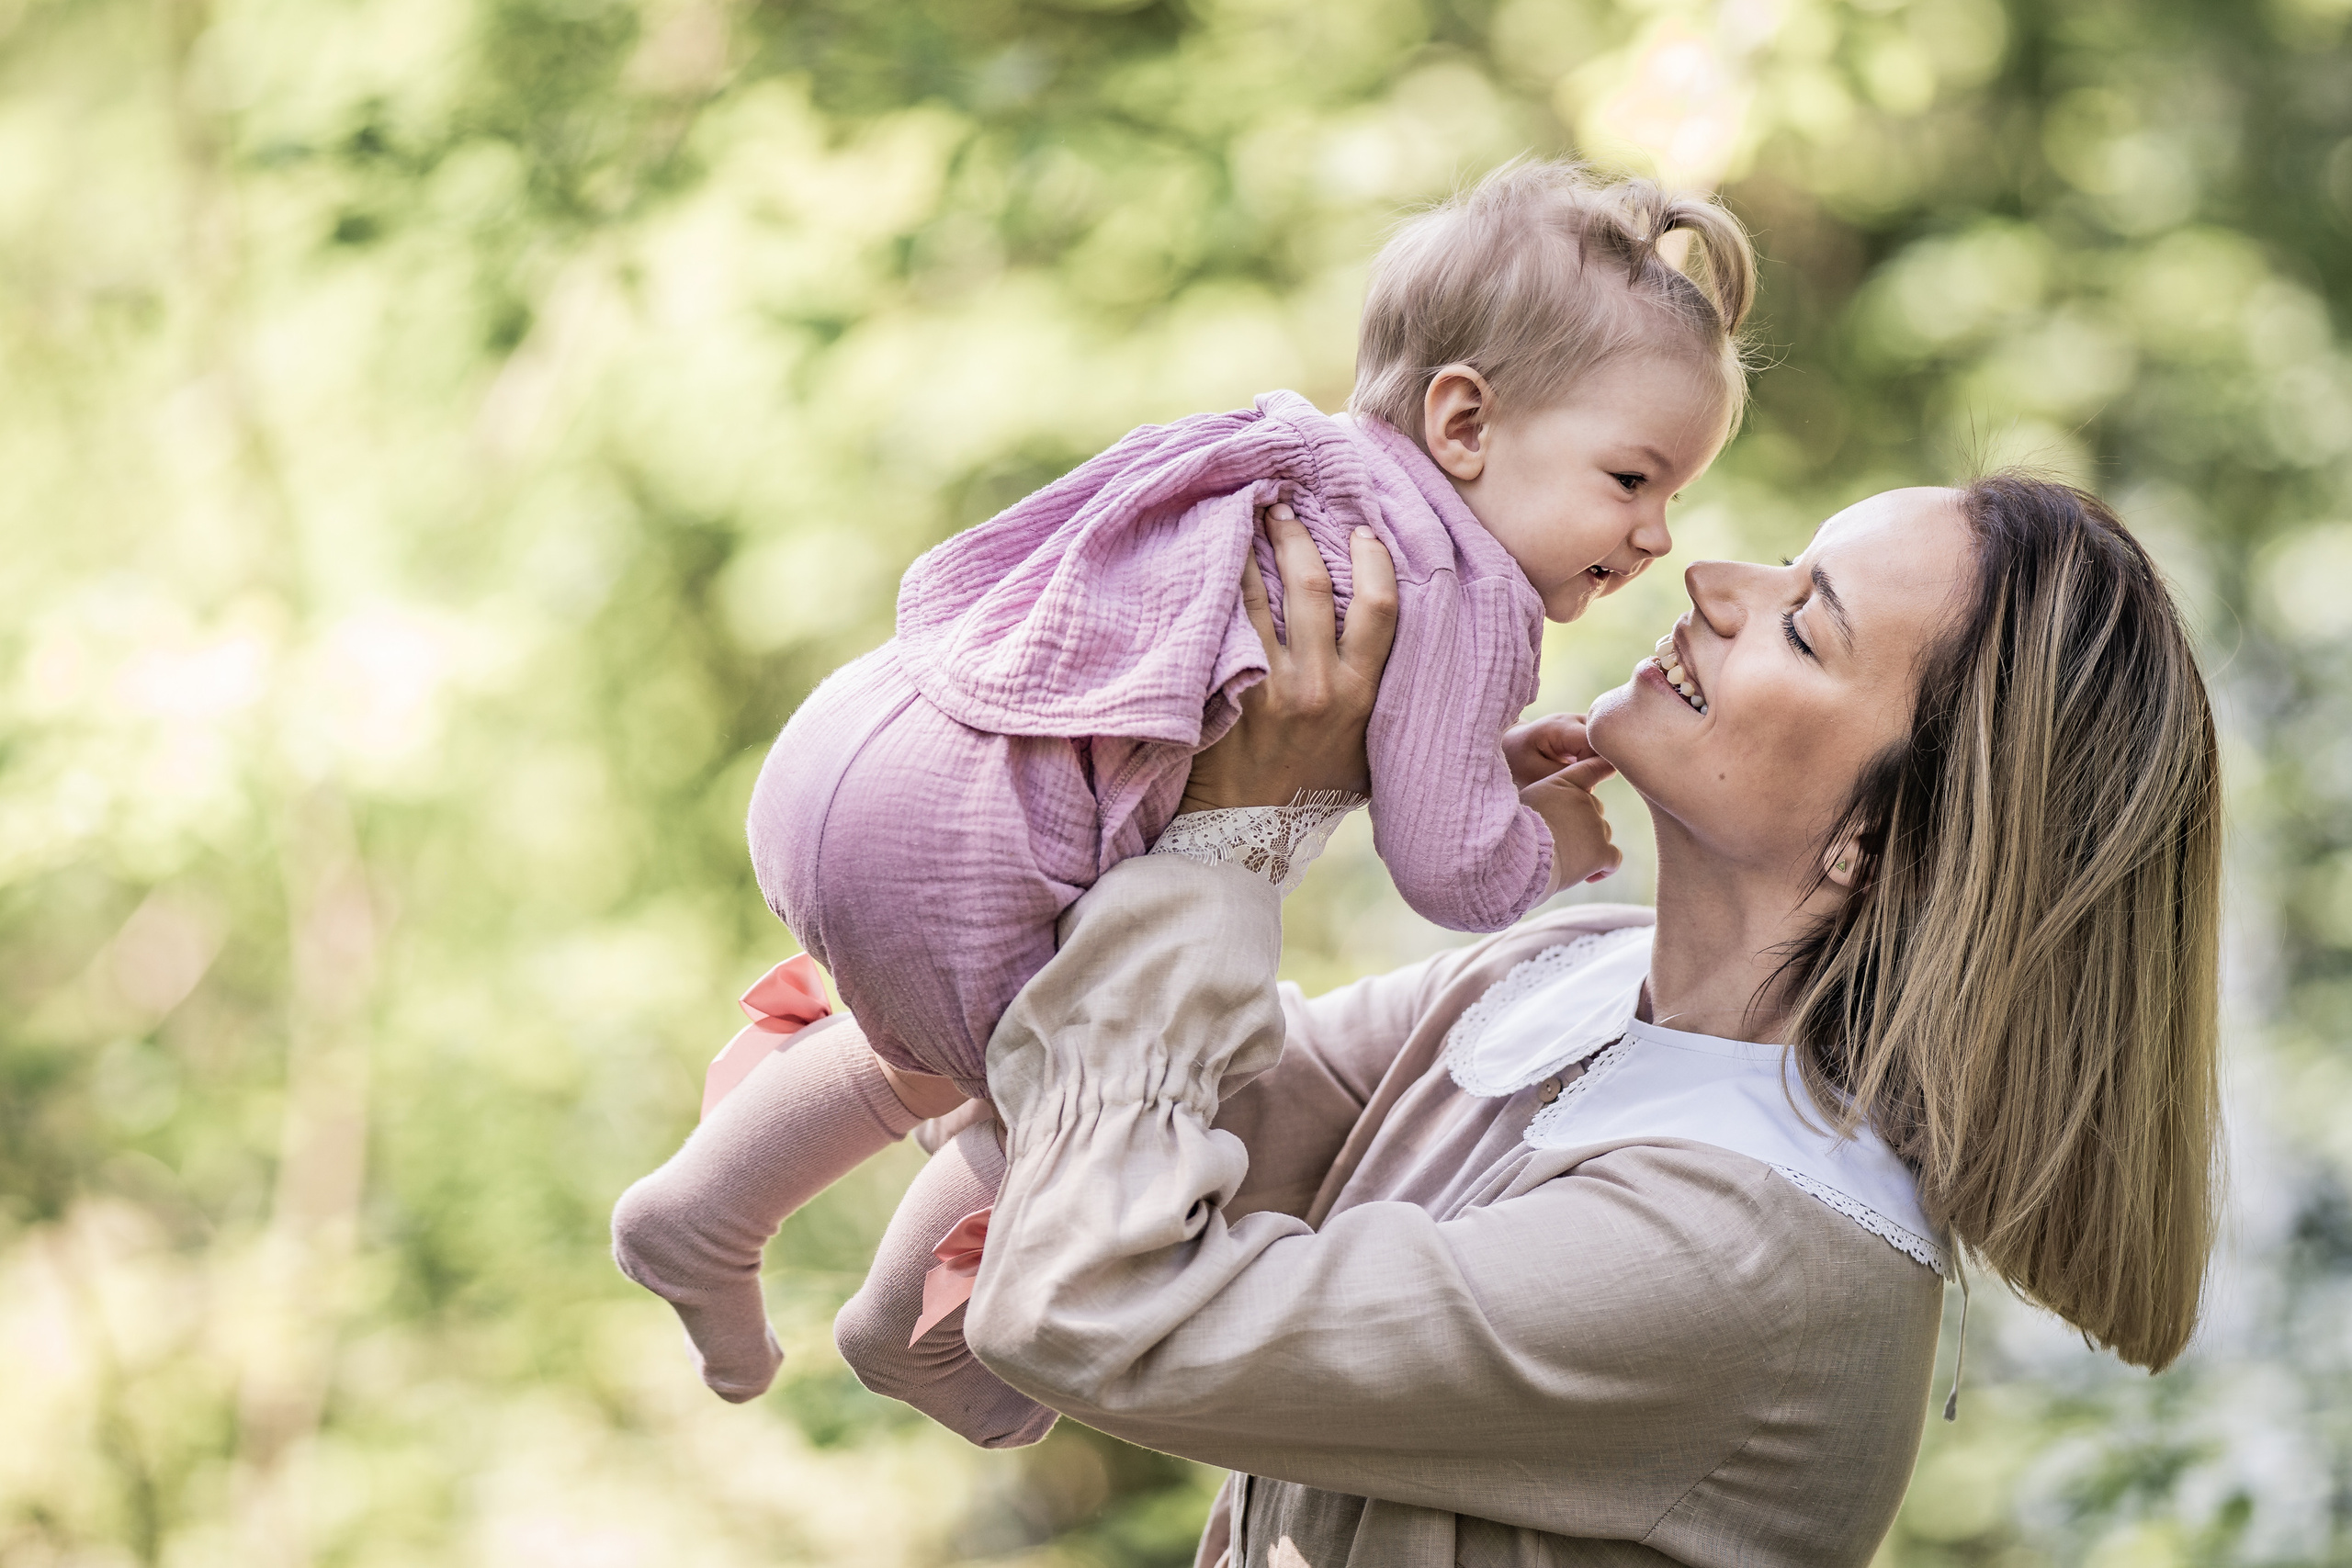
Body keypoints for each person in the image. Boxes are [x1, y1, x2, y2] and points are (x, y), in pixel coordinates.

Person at [847, 474, 2224, 1563]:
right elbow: (1097, 1104)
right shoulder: (1564, 977)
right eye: (1784, 564)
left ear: (1882, 839)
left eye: (1806, 624)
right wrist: (1292, 779)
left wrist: (1238, 835)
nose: (1714, 581)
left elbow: (1086, 1302)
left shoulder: (1747, 1258)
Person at [612, 160, 1756, 1406]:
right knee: (1108, 1062)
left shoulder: (1303, 460)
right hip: (976, 844)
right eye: (1632, 481)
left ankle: (703, 1207)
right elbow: (1456, 878)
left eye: (1674, 496)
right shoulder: (1465, 590)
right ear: (1466, 424)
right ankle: (916, 1337)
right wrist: (1549, 841)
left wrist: (1486, 766)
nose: (1657, 536)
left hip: (868, 745)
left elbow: (1288, 714)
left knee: (972, 1048)